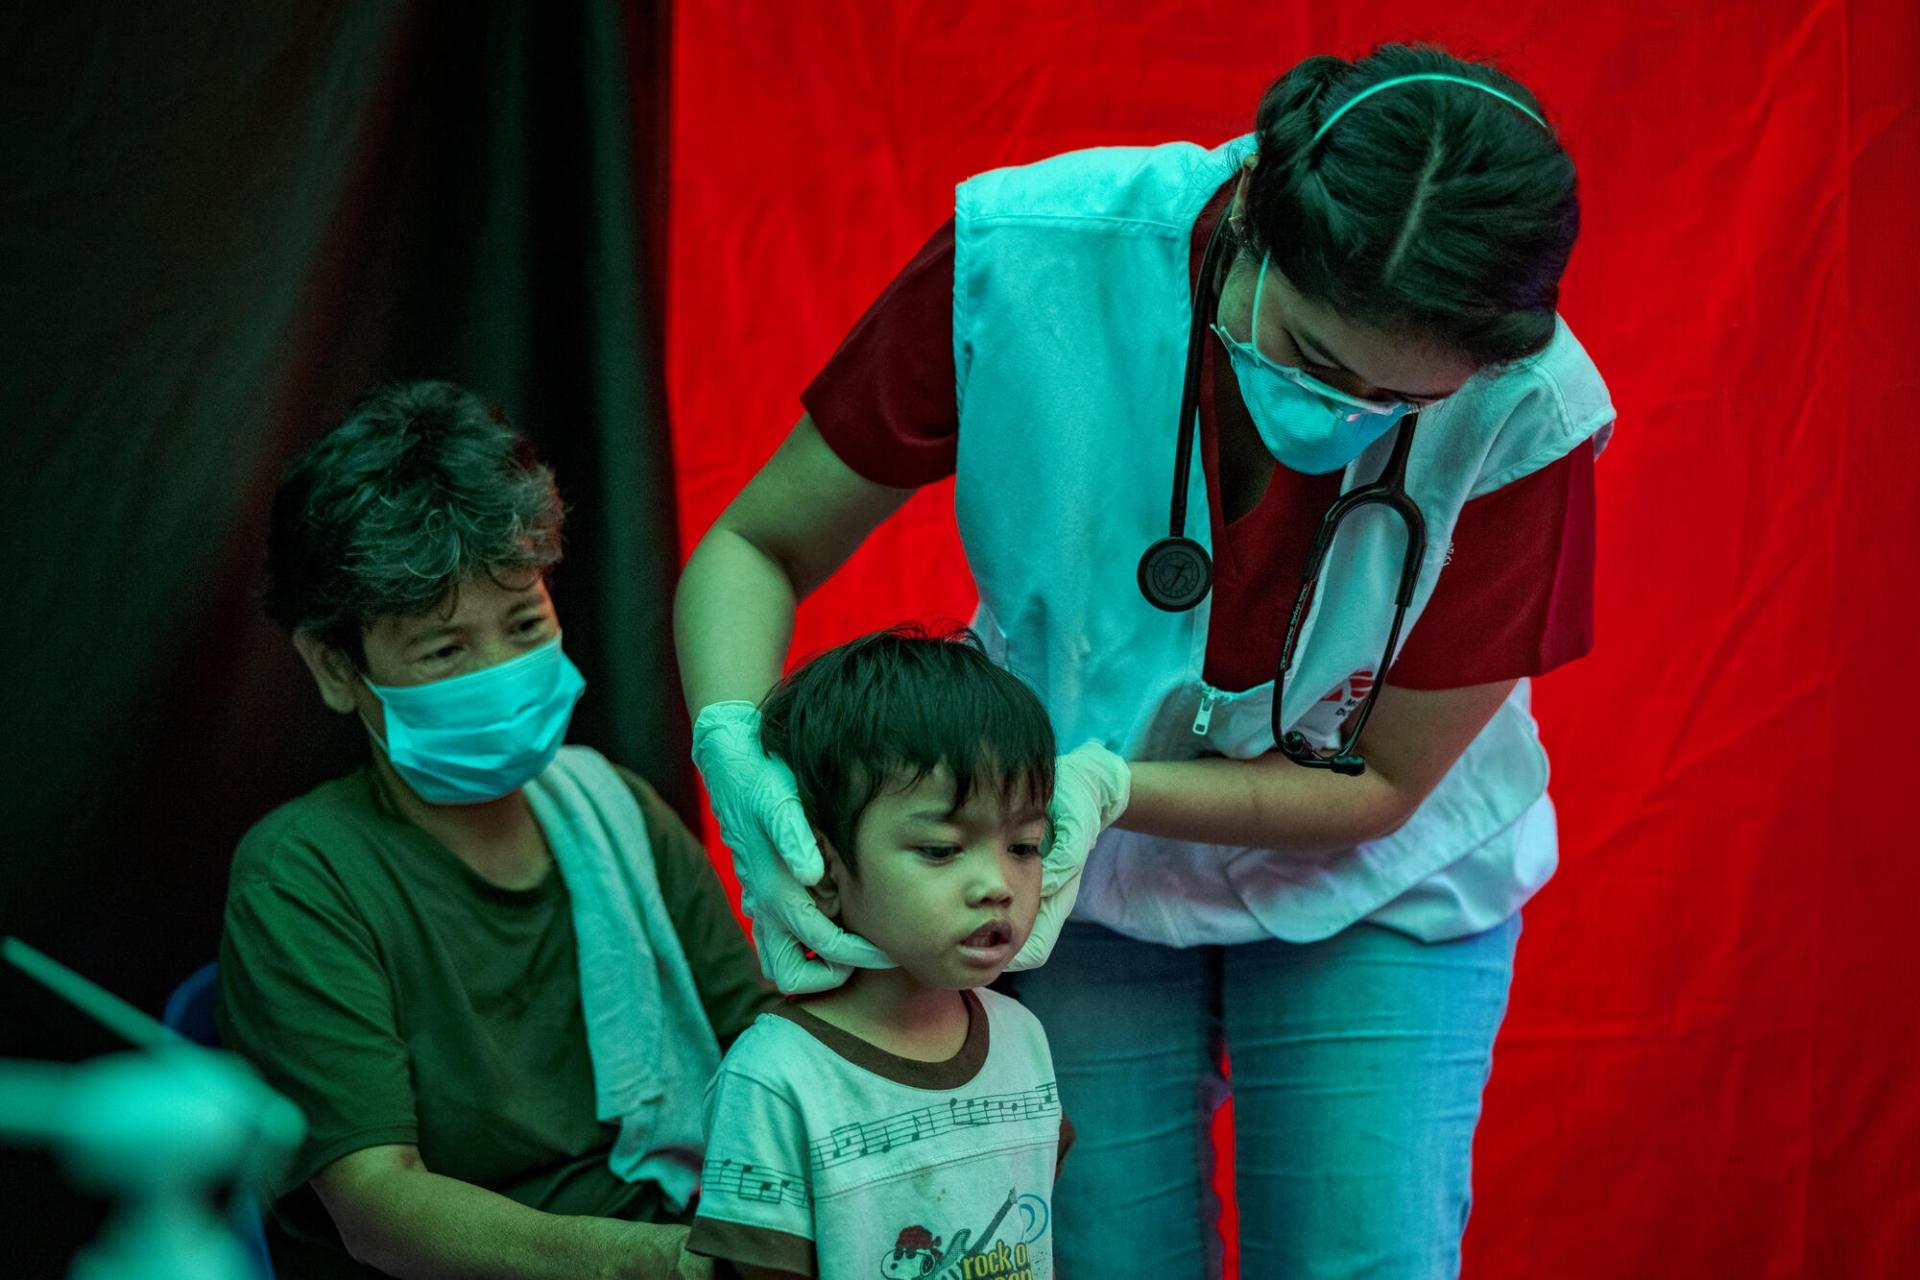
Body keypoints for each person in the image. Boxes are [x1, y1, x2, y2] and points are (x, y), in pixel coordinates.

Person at [674, 41, 1613, 1278]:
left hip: (1382, 876)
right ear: (1255, 223)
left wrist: (1101, 780)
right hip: (1071, 880)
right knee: (1101, 1254)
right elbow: (757, 543)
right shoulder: (1032, 257)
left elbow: (1378, 788)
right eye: (1320, 360)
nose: (1345, 418)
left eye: (1404, 402)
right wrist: (733, 743)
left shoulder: (1531, 409)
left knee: (1364, 1255)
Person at [218, 381, 773, 1280]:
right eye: (444, 650)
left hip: (694, 1225)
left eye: (525, 624)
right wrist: (673, 1264)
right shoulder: (304, 877)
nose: (501, 671)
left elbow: (761, 1048)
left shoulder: (617, 812)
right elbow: (378, 1207)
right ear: (335, 666)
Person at [686, 626, 1075, 1279]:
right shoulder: (777, 1080)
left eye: (1024, 846)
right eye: (941, 850)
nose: (998, 886)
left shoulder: (1023, 1038)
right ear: (823, 868)